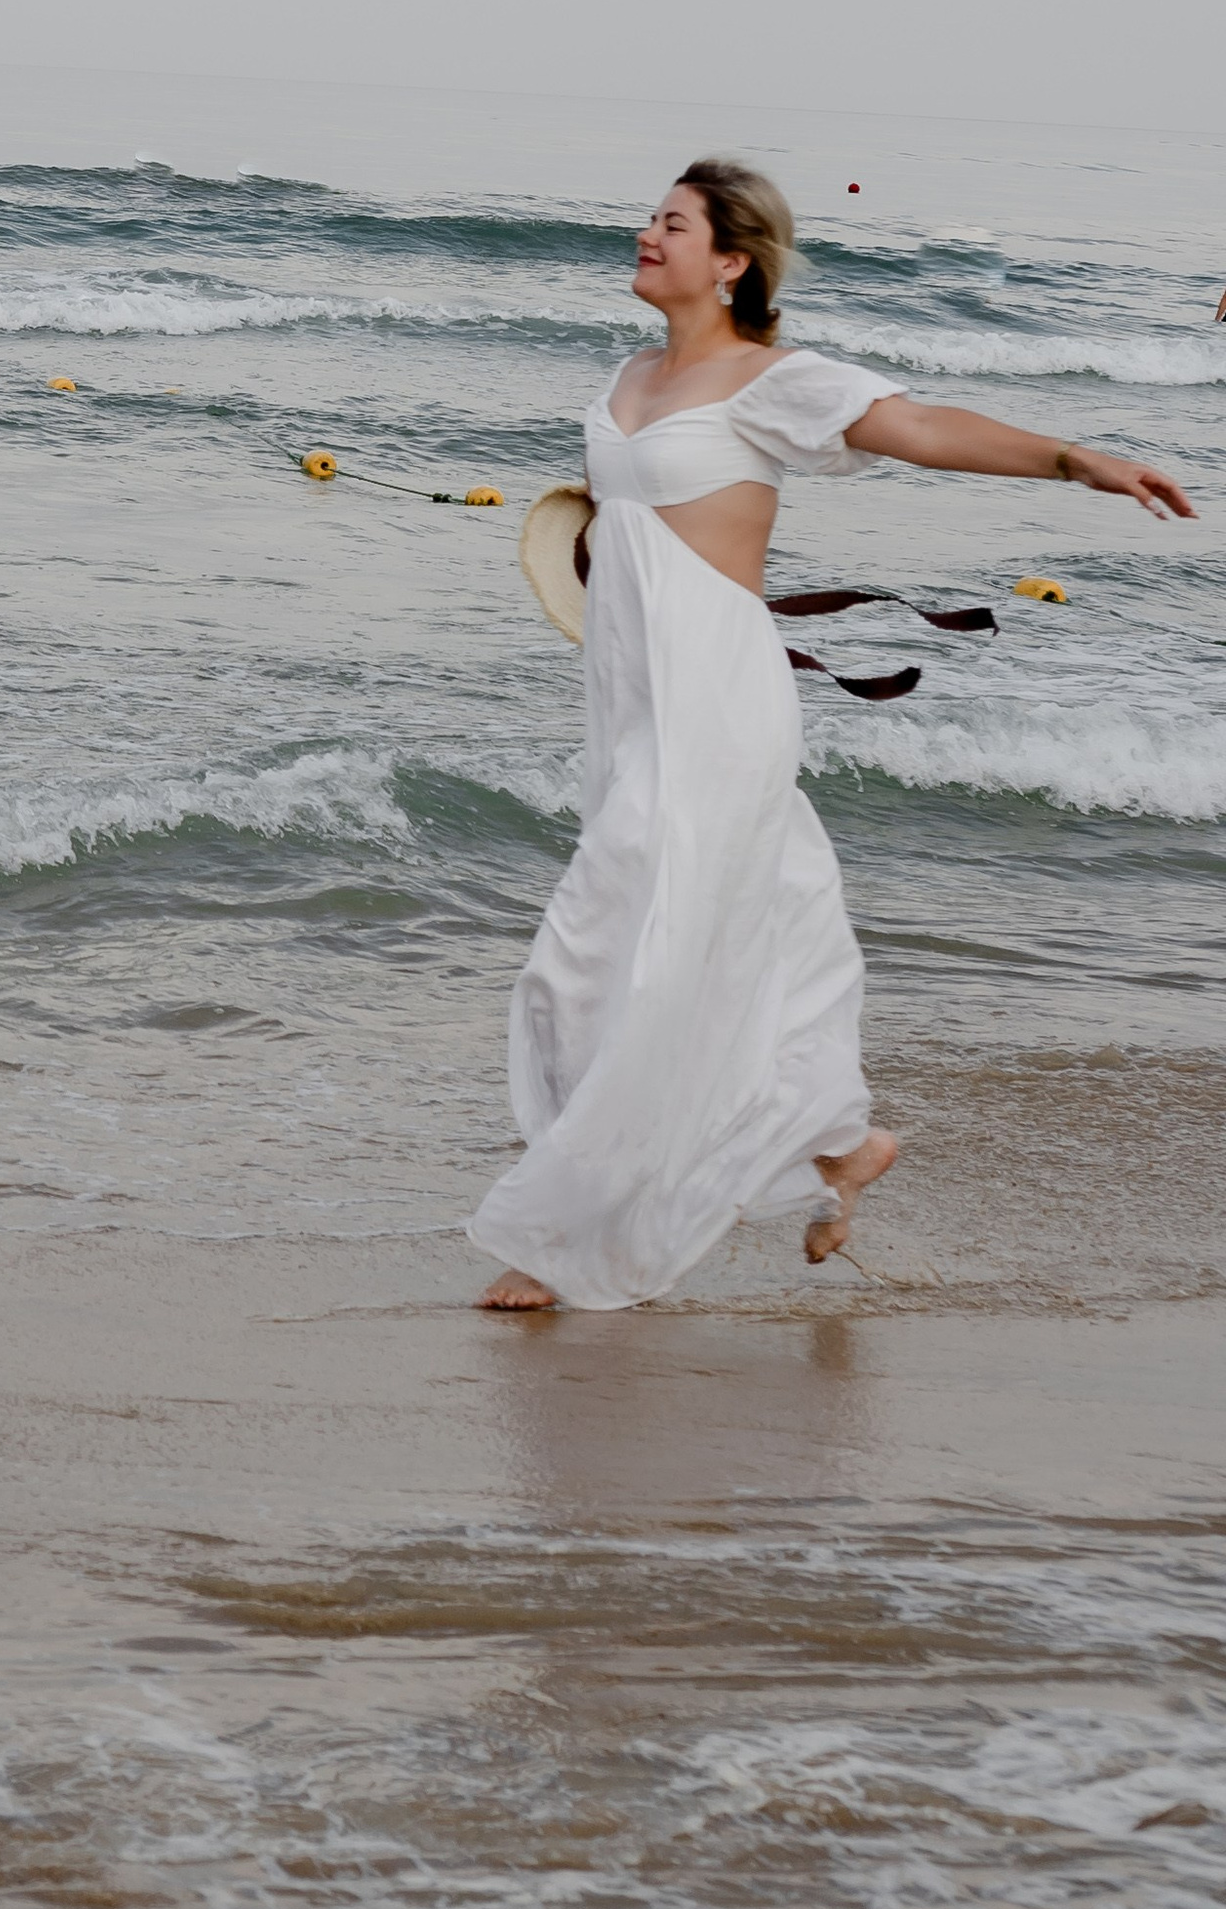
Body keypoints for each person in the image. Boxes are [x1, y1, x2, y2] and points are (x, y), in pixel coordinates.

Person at [470, 158, 1193, 1314]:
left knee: (591, 958)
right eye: (650, 219)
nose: (646, 235)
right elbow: (630, 532)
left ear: (732, 260)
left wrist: (1074, 460)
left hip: (717, 703)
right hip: (631, 701)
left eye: (673, 224)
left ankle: (565, 1238)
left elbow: (917, 427)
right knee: (697, 939)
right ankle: (836, 1146)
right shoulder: (626, 374)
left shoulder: (773, 381)